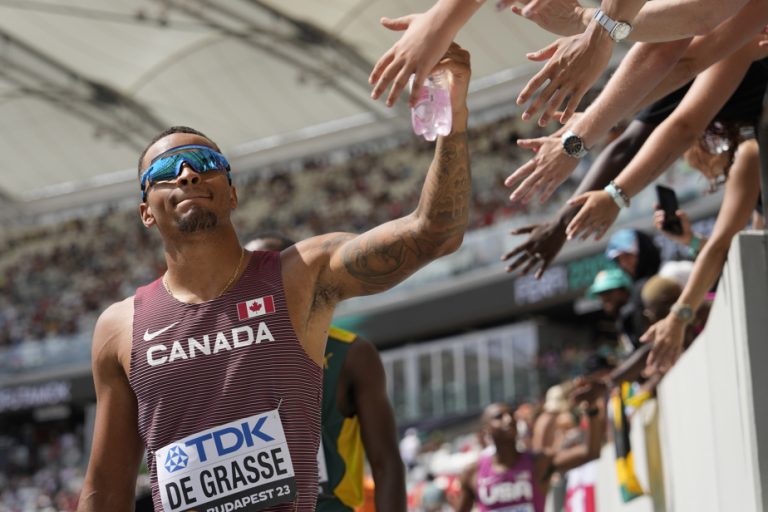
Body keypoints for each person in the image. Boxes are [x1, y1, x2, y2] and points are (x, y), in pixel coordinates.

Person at [76, 43, 472, 512]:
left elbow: (434, 234)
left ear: (232, 192)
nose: (186, 174)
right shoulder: (120, 328)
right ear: (145, 211)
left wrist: (452, 109)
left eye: (206, 164)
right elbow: (105, 490)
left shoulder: (301, 274)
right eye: (164, 171)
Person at [246, 234, 406, 512]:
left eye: (273, 272)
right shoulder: (221, 357)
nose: (262, 285)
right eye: (250, 276)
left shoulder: (351, 354)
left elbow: (386, 463)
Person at [455, 400, 603, 512]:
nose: (509, 420)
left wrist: (592, 410)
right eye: (499, 417)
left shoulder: (537, 461)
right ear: (486, 430)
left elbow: (589, 452)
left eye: (511, 414)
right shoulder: (472, 473)